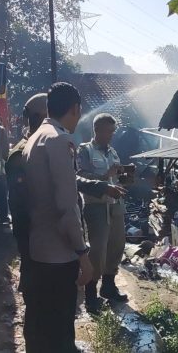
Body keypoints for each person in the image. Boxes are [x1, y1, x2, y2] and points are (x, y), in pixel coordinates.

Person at [6, 94, 125, 293]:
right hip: (44, 238)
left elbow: (71, 179)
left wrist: (101, 186)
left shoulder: (39, 143)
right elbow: (35, 203)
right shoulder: (33, 148)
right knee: (45, 297)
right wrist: (79, 250)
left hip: (50, 238)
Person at [21, 83, 94, 353]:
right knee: (61, 329)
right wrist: (83, 255)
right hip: (60, 254)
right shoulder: (61, 140)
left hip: (38, 249)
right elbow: (67, 206)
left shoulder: (35, 138)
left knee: (42, 326)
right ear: (75, 109)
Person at [76, 114, 129, 313]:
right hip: (95, 207)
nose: (112, 135)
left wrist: (124, 175)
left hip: (115, 205)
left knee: (117, 246)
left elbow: (118, 177)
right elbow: (81, 177)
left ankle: (109, 286)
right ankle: (91, 296)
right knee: (97, 251)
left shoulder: (113, 152)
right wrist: (106, 177)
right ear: (97, 130)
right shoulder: (85, 150)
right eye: (109, 131)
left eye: (113, 131)